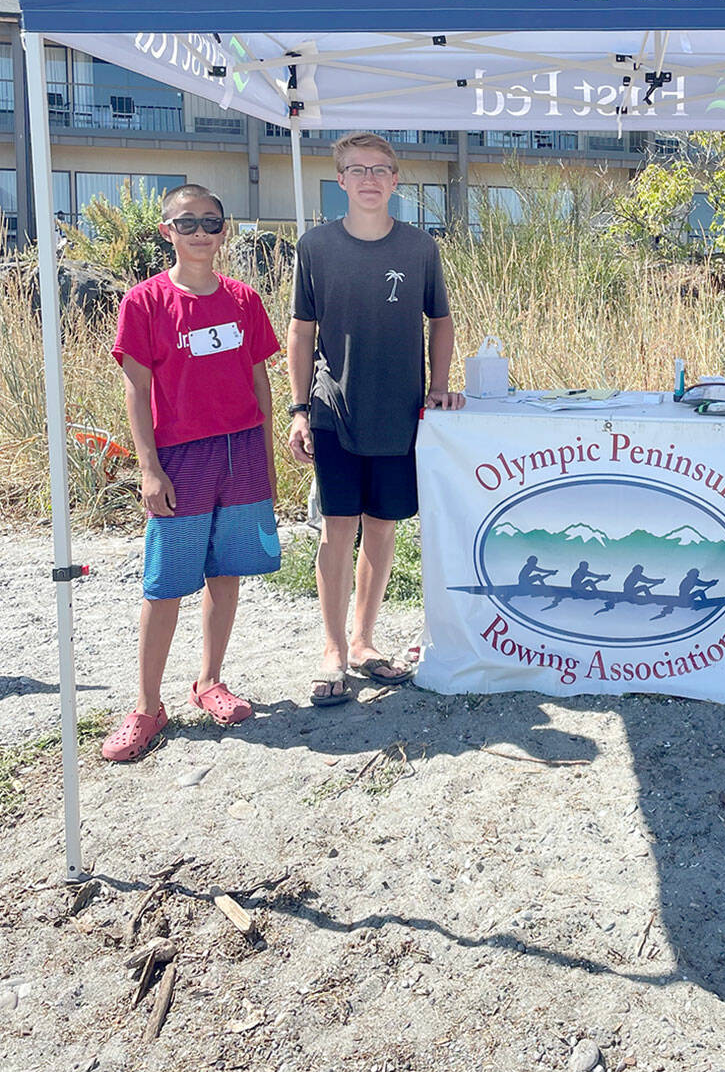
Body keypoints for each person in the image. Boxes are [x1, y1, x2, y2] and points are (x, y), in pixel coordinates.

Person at [102, 184, 281, 762]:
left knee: (225, 572)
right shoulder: (145, 302)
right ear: (167, 232)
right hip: (180, 458)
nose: (200, 232)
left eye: (211, 222)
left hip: (241, 453)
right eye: (187, 223)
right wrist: (149, 468)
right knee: (165, 584)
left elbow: (260, 382)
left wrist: (265, 460)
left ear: (224, 230)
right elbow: (136, 390)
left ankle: (209, 681)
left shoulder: (244, 299)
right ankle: (147, 707)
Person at [288, 132, 463, 706]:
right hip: (334, 408)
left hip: (400, 412)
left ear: (395, 180)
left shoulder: (419, 247)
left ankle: (364, 641)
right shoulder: (315, 246)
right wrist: (298, 409)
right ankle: (333, 650)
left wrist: (438, 387)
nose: (369, 179)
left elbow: (440, 321)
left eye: (380, 169)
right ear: (340, 180)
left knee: (383, 526)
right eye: (357, 169)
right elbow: (301, 330)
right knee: (338, 527)